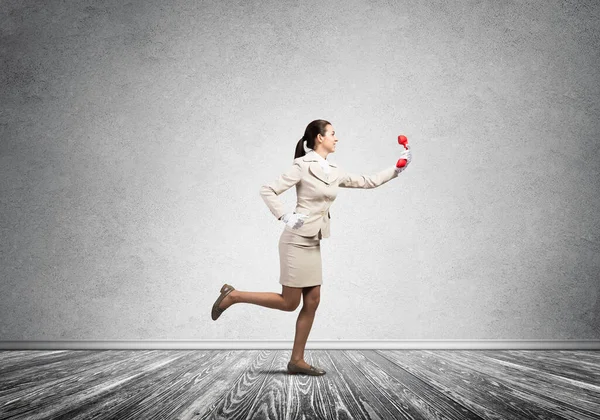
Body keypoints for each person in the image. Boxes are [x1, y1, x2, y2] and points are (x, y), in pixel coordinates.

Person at [211, 119, 412, 376]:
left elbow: (367, 181)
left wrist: (396, 169)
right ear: (319, 137)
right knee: (289, 302)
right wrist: (284, 215)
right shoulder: (301, 166)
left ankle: (296, 360)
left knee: (313, 300)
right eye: (332, 134)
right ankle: (234, 295)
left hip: (313, 241)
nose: (336, 138)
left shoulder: (335, 170)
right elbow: (268, 189)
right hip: (295, 240)